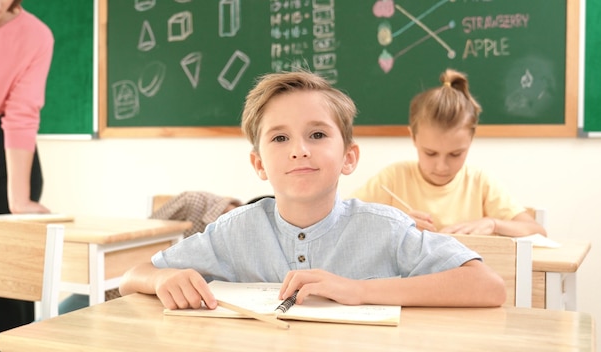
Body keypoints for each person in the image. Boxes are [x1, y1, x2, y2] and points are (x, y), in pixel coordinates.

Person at [119, 70, 506, 311]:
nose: (299, 149)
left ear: (348, 157)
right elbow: (131, 276)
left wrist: (358, 291)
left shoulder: (385, 227)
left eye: (317, 134)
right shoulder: (233, 231)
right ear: (258, 164)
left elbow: (487, 286)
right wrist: (161, 279)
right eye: (280, 137)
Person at [350, 69, 546, 238]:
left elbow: (537, 231)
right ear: (413, 138)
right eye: (430, 153)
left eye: (455, 154)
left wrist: (493, 224)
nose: (442, 166)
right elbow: (342, 223)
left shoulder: (479, 183)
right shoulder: (393, 178)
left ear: (471, 140)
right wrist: (394, 223)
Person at [0, 0, 54, 350]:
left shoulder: (36, 35)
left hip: (10, 153)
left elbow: (22, 114)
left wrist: (18, 200)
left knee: (13, 280)